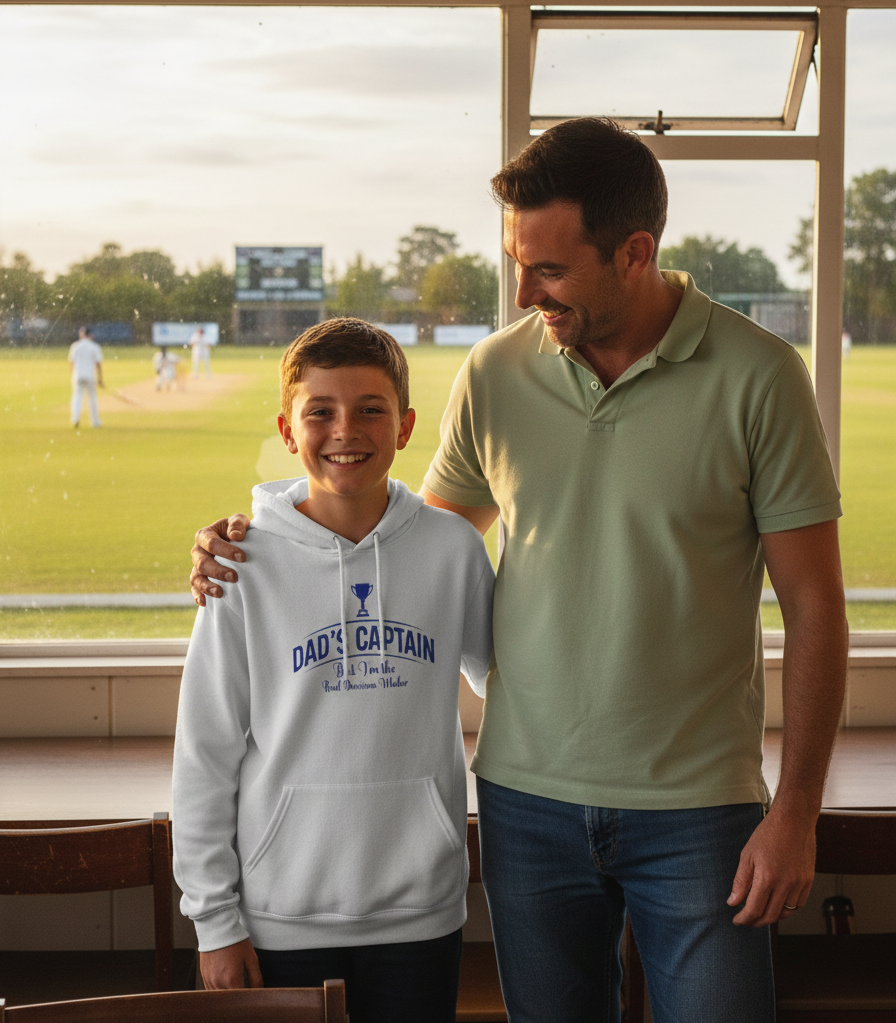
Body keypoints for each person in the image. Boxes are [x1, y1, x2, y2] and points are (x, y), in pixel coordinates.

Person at [189, 119, 848, 1023]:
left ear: (635, 252)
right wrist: (256, 532)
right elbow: (406, 541)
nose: (523, 288)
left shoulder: (762, 375)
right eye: (515, 261)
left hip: (699, 810)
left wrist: (799, 809)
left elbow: (815, 606)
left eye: (548, 268)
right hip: (526, 807)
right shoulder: (497, 370)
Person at [173, 318, 494, 1023]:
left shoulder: (454, 549)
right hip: (280, 911)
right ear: (288, 431)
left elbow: (508, 678)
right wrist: (214, 920)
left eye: (370, 409)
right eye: (320, 411)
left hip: (420, 909)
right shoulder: (239, 564)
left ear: (405, 426)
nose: (346, 429)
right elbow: (204, 754)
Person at [68, 326, 104, 428]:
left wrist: (73, 375)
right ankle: (95, 421)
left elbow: (71, 362)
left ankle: (75, 418)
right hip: (90, 376)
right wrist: (100, 379)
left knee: (77, 396)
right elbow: (98, 364)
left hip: (77, 375)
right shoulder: (94, 346)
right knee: (92, 399)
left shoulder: (75, 346)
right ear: (90, 335)